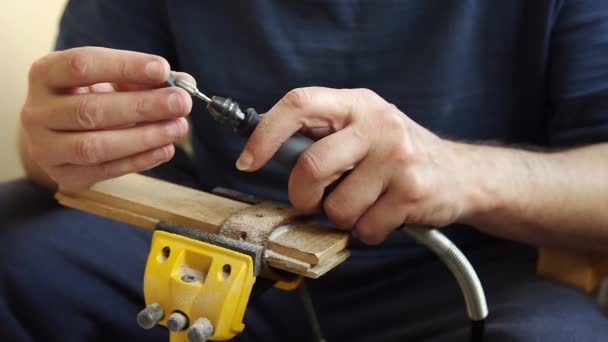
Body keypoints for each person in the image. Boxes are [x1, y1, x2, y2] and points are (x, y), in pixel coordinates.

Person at [2, 1, 608, 341]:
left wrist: (460, 173)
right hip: (226, 251)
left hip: (461, 278)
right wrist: (60, 143)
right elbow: (56, 154)